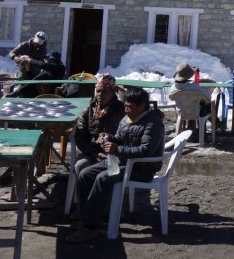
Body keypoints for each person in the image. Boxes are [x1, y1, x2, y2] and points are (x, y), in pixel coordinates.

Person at [67, 87, 165, 243]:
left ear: (142, 106)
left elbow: (146, 150)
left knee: (102, 178)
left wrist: (117, 149)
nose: (126, 110)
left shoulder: (153, 122)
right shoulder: (127, 118)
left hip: (141, 168)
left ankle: (90, 227)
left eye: (130, 107)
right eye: (125, 106)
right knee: (85, 174)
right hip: (122, 162)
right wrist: (108, 138)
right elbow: (119, 138)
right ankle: (89, 217)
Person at [71, 73, 126, 183]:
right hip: (91, 152)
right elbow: (80, 137)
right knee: (81, 165)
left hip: (114, 154)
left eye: (104, 91)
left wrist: (112, 148)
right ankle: (81, 194)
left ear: (112, 92)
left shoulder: (122, 109)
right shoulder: (88, 109)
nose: (100, 94)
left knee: (110, 172)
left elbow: (125, 136)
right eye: (98, 91)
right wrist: (93, 154)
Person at [6, 31, 48, 97]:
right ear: (34, 38)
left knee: (32, 92)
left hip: (35, 73)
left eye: (39, 43)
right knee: (21, 88)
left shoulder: (43, 50)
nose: (37, 44)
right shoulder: (25, 45)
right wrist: (15, 57)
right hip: (23, 70)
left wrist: (30, 61)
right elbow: (12, 52)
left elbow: (42, 63)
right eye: (36, 42)